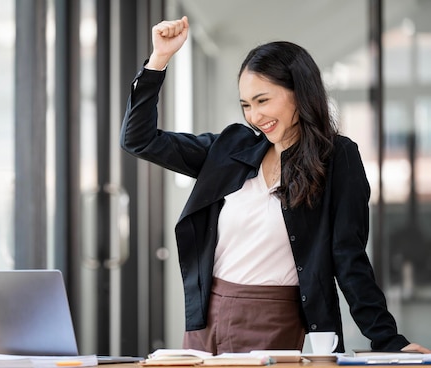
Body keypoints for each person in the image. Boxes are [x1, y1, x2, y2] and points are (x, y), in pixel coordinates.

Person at [120, 16, 431, 354]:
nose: (254, 116)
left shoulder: (337, 158)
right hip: (206, 320)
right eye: (246, 105)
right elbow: (138, 140)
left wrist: (388, 341)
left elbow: (349, 258)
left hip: (275, 320)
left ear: (299, 93)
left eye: (263, 100)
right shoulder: (230, 147)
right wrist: (159, 60)